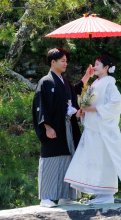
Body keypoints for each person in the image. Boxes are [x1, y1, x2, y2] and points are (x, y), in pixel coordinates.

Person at [63, 55, 121, 204]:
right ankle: (98, 192)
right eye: (94, 64)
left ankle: (106, 194)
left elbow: (116, 104)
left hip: (101, 129)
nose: (94, 67)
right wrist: (83, 110)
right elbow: (87, 102)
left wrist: (94, 108)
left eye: (97, 64)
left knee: (102, 159)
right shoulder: (96, 82)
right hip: (92, 128)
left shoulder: (109, 84)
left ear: (106, 68)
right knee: (89, 159)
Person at [32, 47, 94, 207]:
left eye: (66, 61)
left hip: (68, 126)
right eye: (63, 61)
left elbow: (75, 91)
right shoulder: (45, 82)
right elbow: (40, 105)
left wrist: (87, 76)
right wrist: (47, 126)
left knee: (69, 159)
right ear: (53, 62)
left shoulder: (64, 82)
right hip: (54, 127)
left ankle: (66, 196)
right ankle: (45, 197)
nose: (65, 63)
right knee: (51, 160)